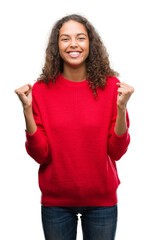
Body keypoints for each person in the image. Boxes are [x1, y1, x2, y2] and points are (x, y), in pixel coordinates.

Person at [14, 14, 134, 240]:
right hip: (56, 203)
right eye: (65, 39)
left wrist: (121, 109)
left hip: (102, 201)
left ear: (90, 43)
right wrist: (27, 110)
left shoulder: (112, 88)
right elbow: (41, 155)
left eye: (80, 38)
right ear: (56, 46)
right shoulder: (39, 90)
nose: (73, 45)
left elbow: (116, 151)